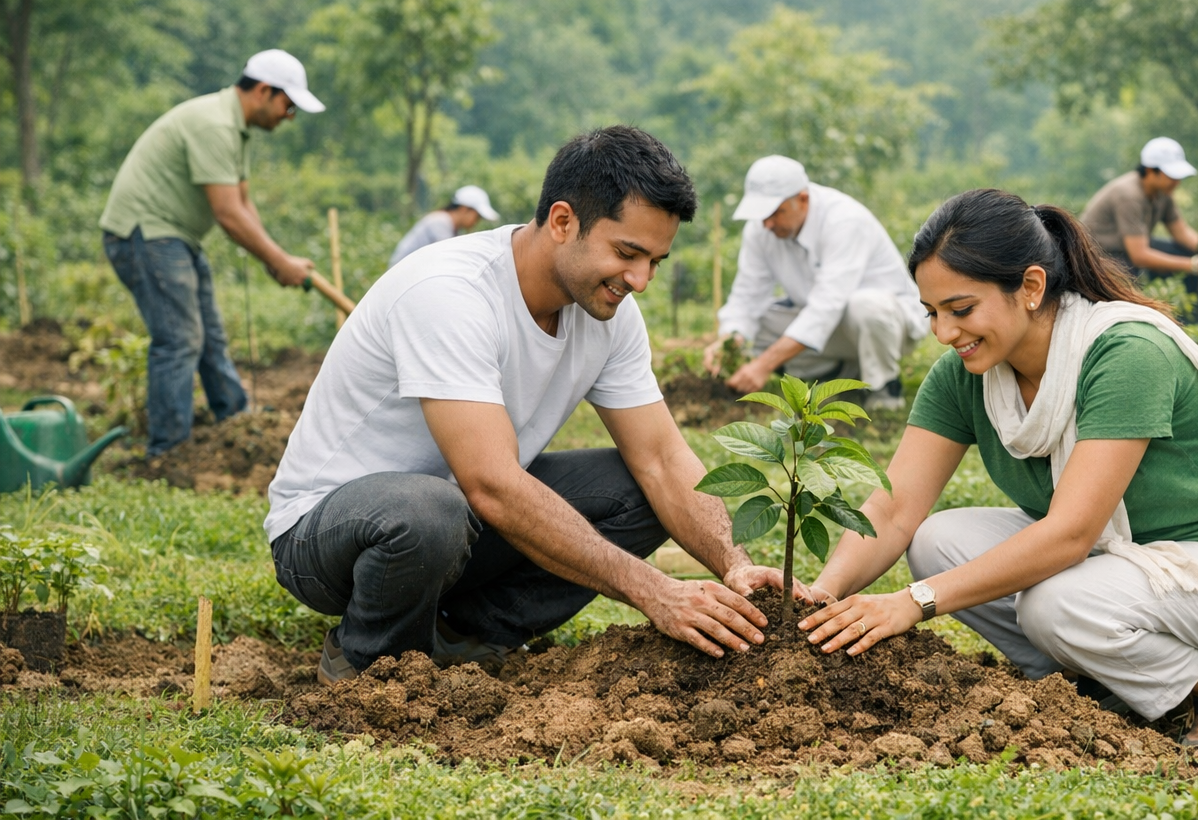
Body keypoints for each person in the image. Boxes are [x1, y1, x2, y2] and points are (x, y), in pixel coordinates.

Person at [265, 126, 799, 684]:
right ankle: (374, 663)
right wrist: (654, 590)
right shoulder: (449, 293)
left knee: (637, 488)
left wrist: (735, 564)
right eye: (627, 253)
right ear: (563, 221)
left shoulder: (608, 315)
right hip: (329, 534)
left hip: (459, 526)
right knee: (429, 511)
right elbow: (491, 483)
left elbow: (662, 459)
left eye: (656, 262)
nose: (640, 280)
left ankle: (464, 635)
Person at [795, 189, 1198, 755]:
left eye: (961, 309)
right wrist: (822, 595)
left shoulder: (1124, 352)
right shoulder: (965, 375)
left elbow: (1071, 533)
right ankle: (1098, 678)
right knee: (938, 541)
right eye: (933, 313)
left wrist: (912, 602)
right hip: (1123, 565)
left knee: (1055, 605)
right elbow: (894, 508)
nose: (944, 333)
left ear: (1032, 288)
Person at [99, 49, 323, 458]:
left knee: (211, 338)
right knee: (180, 339)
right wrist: (278, 261)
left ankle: (234, 423)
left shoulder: (235, 129)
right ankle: (168, 452)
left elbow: (243, 202)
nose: (288, 117)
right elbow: (228, 214)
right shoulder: (214, 126)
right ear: (262, 90)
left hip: (175, 238)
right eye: (288, 105)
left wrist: (277, 258)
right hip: (145, 233)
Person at [707, 155, 927, 411]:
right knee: (759, 323)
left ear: (802, 199)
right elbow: (746, 297)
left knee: (866, 306)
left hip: (885, 328)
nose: (767, 223)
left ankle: (883, 391)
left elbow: (827, 306)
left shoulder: (844, 220)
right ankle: (841, 371)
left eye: (775, 213)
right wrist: (729, 342)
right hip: (833, 330)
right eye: (761, 215)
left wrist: (763, 365)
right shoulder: (761, 230)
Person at [1081, 137, 1198, 322]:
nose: (1177, 181)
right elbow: (1139, 255)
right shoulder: (1129, 195)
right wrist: (1193, 265)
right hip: (1102, 256)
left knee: (1185, 252)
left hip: (1128, 250)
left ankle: (1192, 324)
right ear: (1150, 171)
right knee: (1132, 289)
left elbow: (1181, 231)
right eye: (1171, 175)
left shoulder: (1163, 194)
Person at [388, 185, 501, 268]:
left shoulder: (451, 228)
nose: (476, 222)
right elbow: (452, 261)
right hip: (401, 276)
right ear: (464, 209)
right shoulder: (440, 222)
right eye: (477, 217)